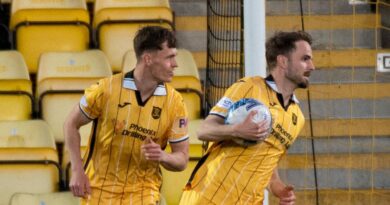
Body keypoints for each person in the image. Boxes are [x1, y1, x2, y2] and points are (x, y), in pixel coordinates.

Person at [179, 31, 315, 205]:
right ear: (283, 61)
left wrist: (278, 188)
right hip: (210, 196)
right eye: (305, 59)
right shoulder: (249, 87)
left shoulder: (297, 118)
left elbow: (268, 160)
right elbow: (204, 130)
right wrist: (237, 130)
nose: (312, 66)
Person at [64, 26, 189, 205]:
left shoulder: (175, 103)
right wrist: (77, 170)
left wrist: (163, 156)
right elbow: (70, 124)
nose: (175, 64)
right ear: (148, 58)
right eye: (169, 57)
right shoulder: (106, 89)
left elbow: (182, 159)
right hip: (99, 190)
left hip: (143, 192)